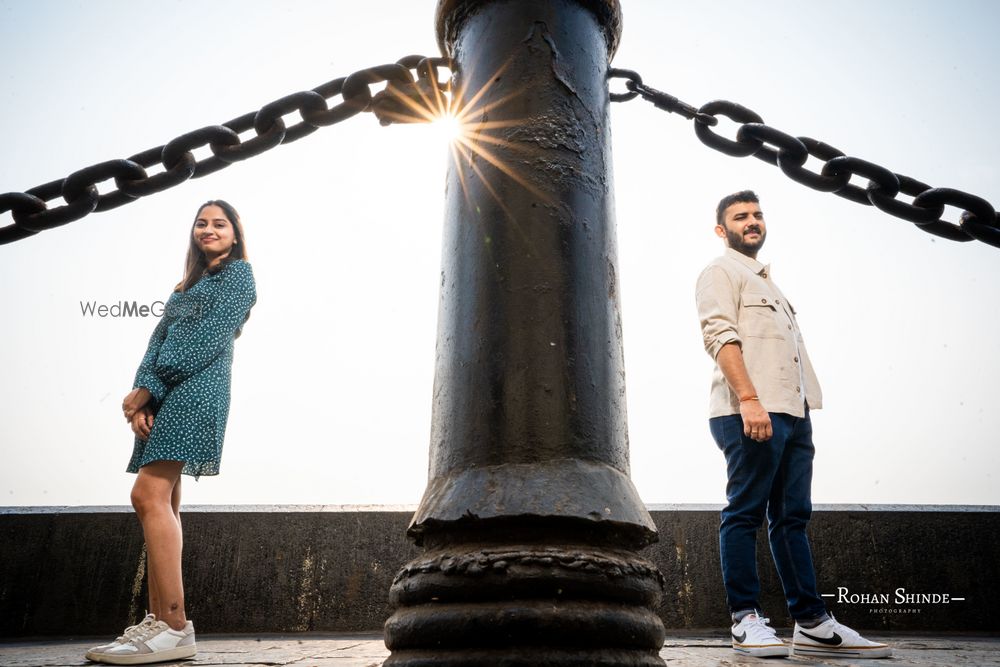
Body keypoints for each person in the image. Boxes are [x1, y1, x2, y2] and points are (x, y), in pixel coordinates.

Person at [695, 190, 891, 659]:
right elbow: (719, 335)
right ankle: (745, 620)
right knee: (743, 512)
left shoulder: (772, 286)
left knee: (792, 518)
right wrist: (749, 399)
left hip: (794, 411)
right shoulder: (719, 272)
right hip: (751, 410)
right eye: (741, 217)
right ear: (722, 230)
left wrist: (795, 409)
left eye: (758, 214)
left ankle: (813, 623)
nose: (752, 221)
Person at [86, 200, 257, 665]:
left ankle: (176, 626)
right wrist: (143, 390)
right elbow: (157, 339)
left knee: (147, 495)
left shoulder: (240, 276)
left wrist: (152, 388)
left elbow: (209, 340)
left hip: (197, 390)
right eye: (201, 223)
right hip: (166, 390)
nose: (209, 229)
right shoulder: (186, 286)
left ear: (235, 234)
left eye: (219, 224)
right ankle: (159, 622)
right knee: (166, 502)